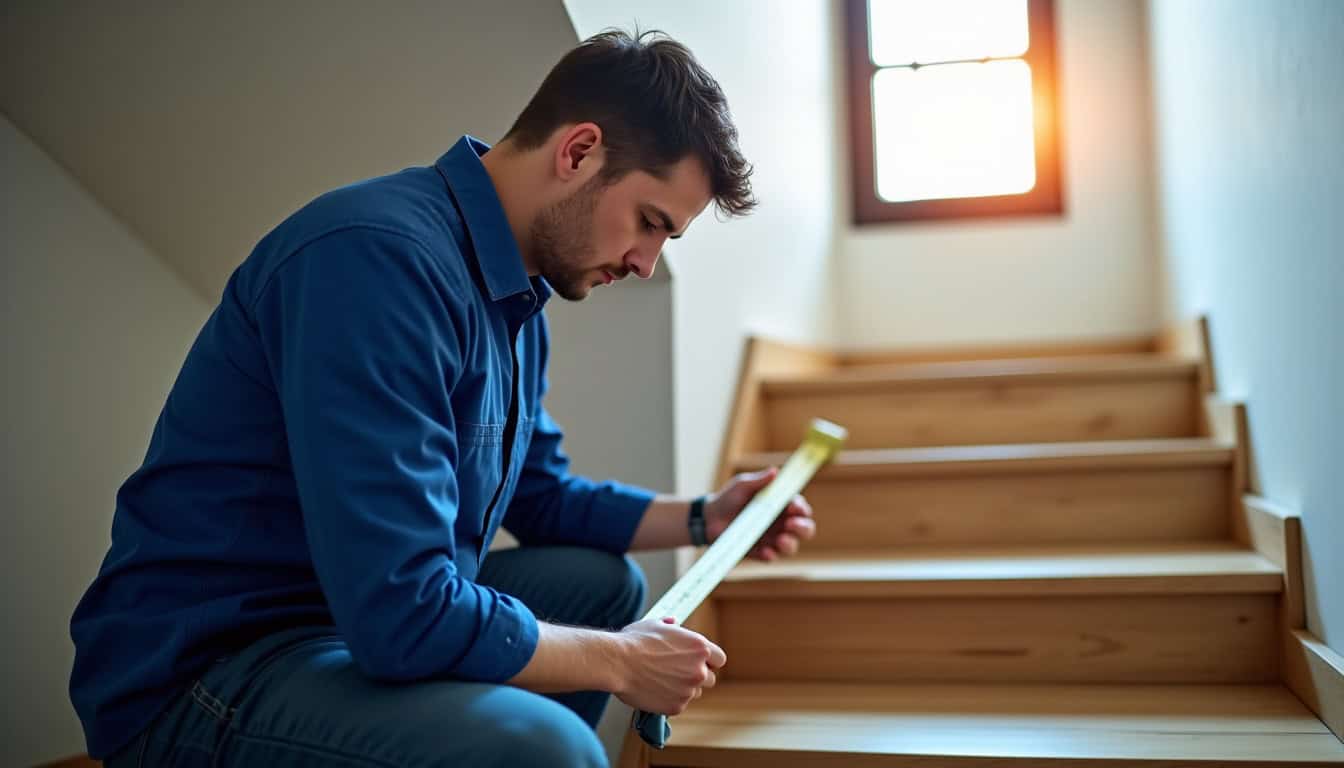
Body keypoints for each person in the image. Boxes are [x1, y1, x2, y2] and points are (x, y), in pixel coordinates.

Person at [70, 29, 817, 768]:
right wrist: (619, 663)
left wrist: (705, 517)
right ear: (579, 151)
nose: (647, 263)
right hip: (211, 670)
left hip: (348, 624)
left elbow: (543, 499)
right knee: (547, 748)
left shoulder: (516, 296)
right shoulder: (377, 261)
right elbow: (403, 612)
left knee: (596, 583)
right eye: (650, 223)